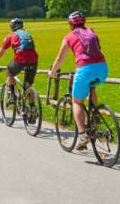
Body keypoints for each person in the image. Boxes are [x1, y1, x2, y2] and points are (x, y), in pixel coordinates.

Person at [47, 10, 107, 150]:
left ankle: (82, 135)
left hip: (84, 69)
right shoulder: (92, 32)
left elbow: (59, 58)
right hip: (103, 68)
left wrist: (52, 72)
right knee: (92, 86)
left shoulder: (69, 36)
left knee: (77, 102)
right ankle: (95, 116)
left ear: (70, 24)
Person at [0, 17, 39, 94]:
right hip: (34, 60)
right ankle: (32, 105)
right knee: (27, 86)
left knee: (9, 71)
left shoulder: (11, 36)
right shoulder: (28, 34)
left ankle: (12, 96)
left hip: (21, 59)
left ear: (12, 26)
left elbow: (1, 52)